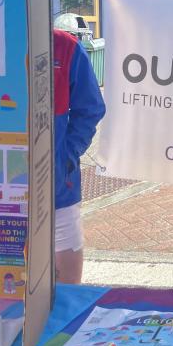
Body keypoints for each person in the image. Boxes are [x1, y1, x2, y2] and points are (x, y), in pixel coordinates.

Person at [53, 28, 106, 283]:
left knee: (65, 293)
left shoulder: (65, 46)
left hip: (57, 192)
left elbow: (90, 108)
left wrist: (66, 156)